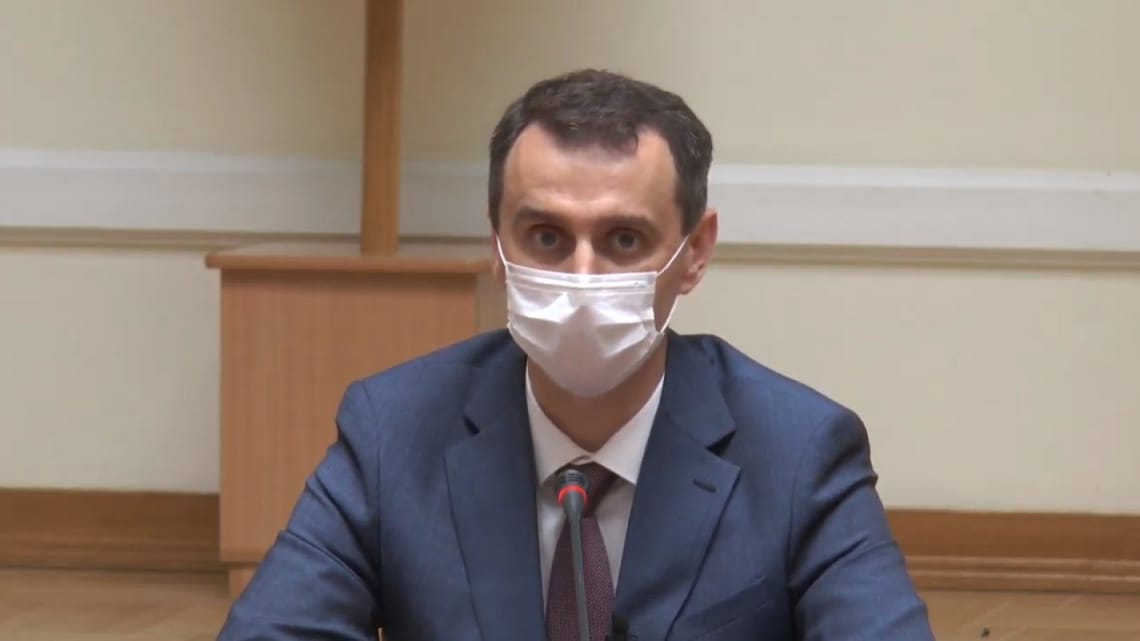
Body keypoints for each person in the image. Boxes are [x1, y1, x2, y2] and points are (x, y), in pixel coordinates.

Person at [216, 68, 935, 641]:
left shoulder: (800, 451)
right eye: (546, 238)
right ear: (497, 245)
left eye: (624, 240)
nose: (582, 278)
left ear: (695, 253)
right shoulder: (393, 431)